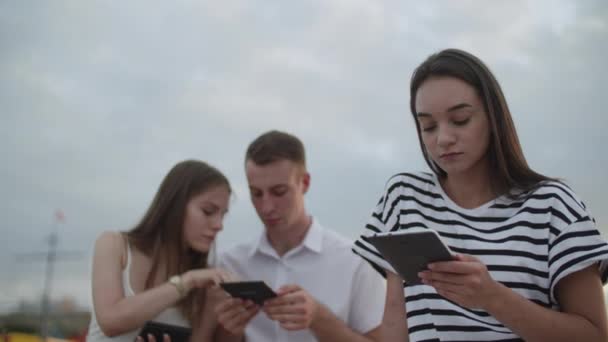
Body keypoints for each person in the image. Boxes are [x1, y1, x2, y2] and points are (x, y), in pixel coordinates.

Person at [353, 48, 608, 341]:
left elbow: (595, 335)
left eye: (460, 119)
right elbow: (396, 323)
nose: (443, 139)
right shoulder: (403, 198)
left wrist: (492, 297)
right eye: (428, 126)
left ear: (493, 117)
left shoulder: (553, 206)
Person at [214, 130, 386, 342]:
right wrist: (229, 331)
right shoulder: (229, 263)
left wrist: (319, 318)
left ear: (304, 183)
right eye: (256, 193)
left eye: (279, 192)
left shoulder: (356, 261)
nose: (266, 207)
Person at [87, 160, 238, 342]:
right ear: (176, 204)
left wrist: (234, 326)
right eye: (208, 211)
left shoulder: (205, 280)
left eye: (223, 215)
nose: (219, 225)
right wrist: (186, 281)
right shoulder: (114, 244)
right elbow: (111, 321)